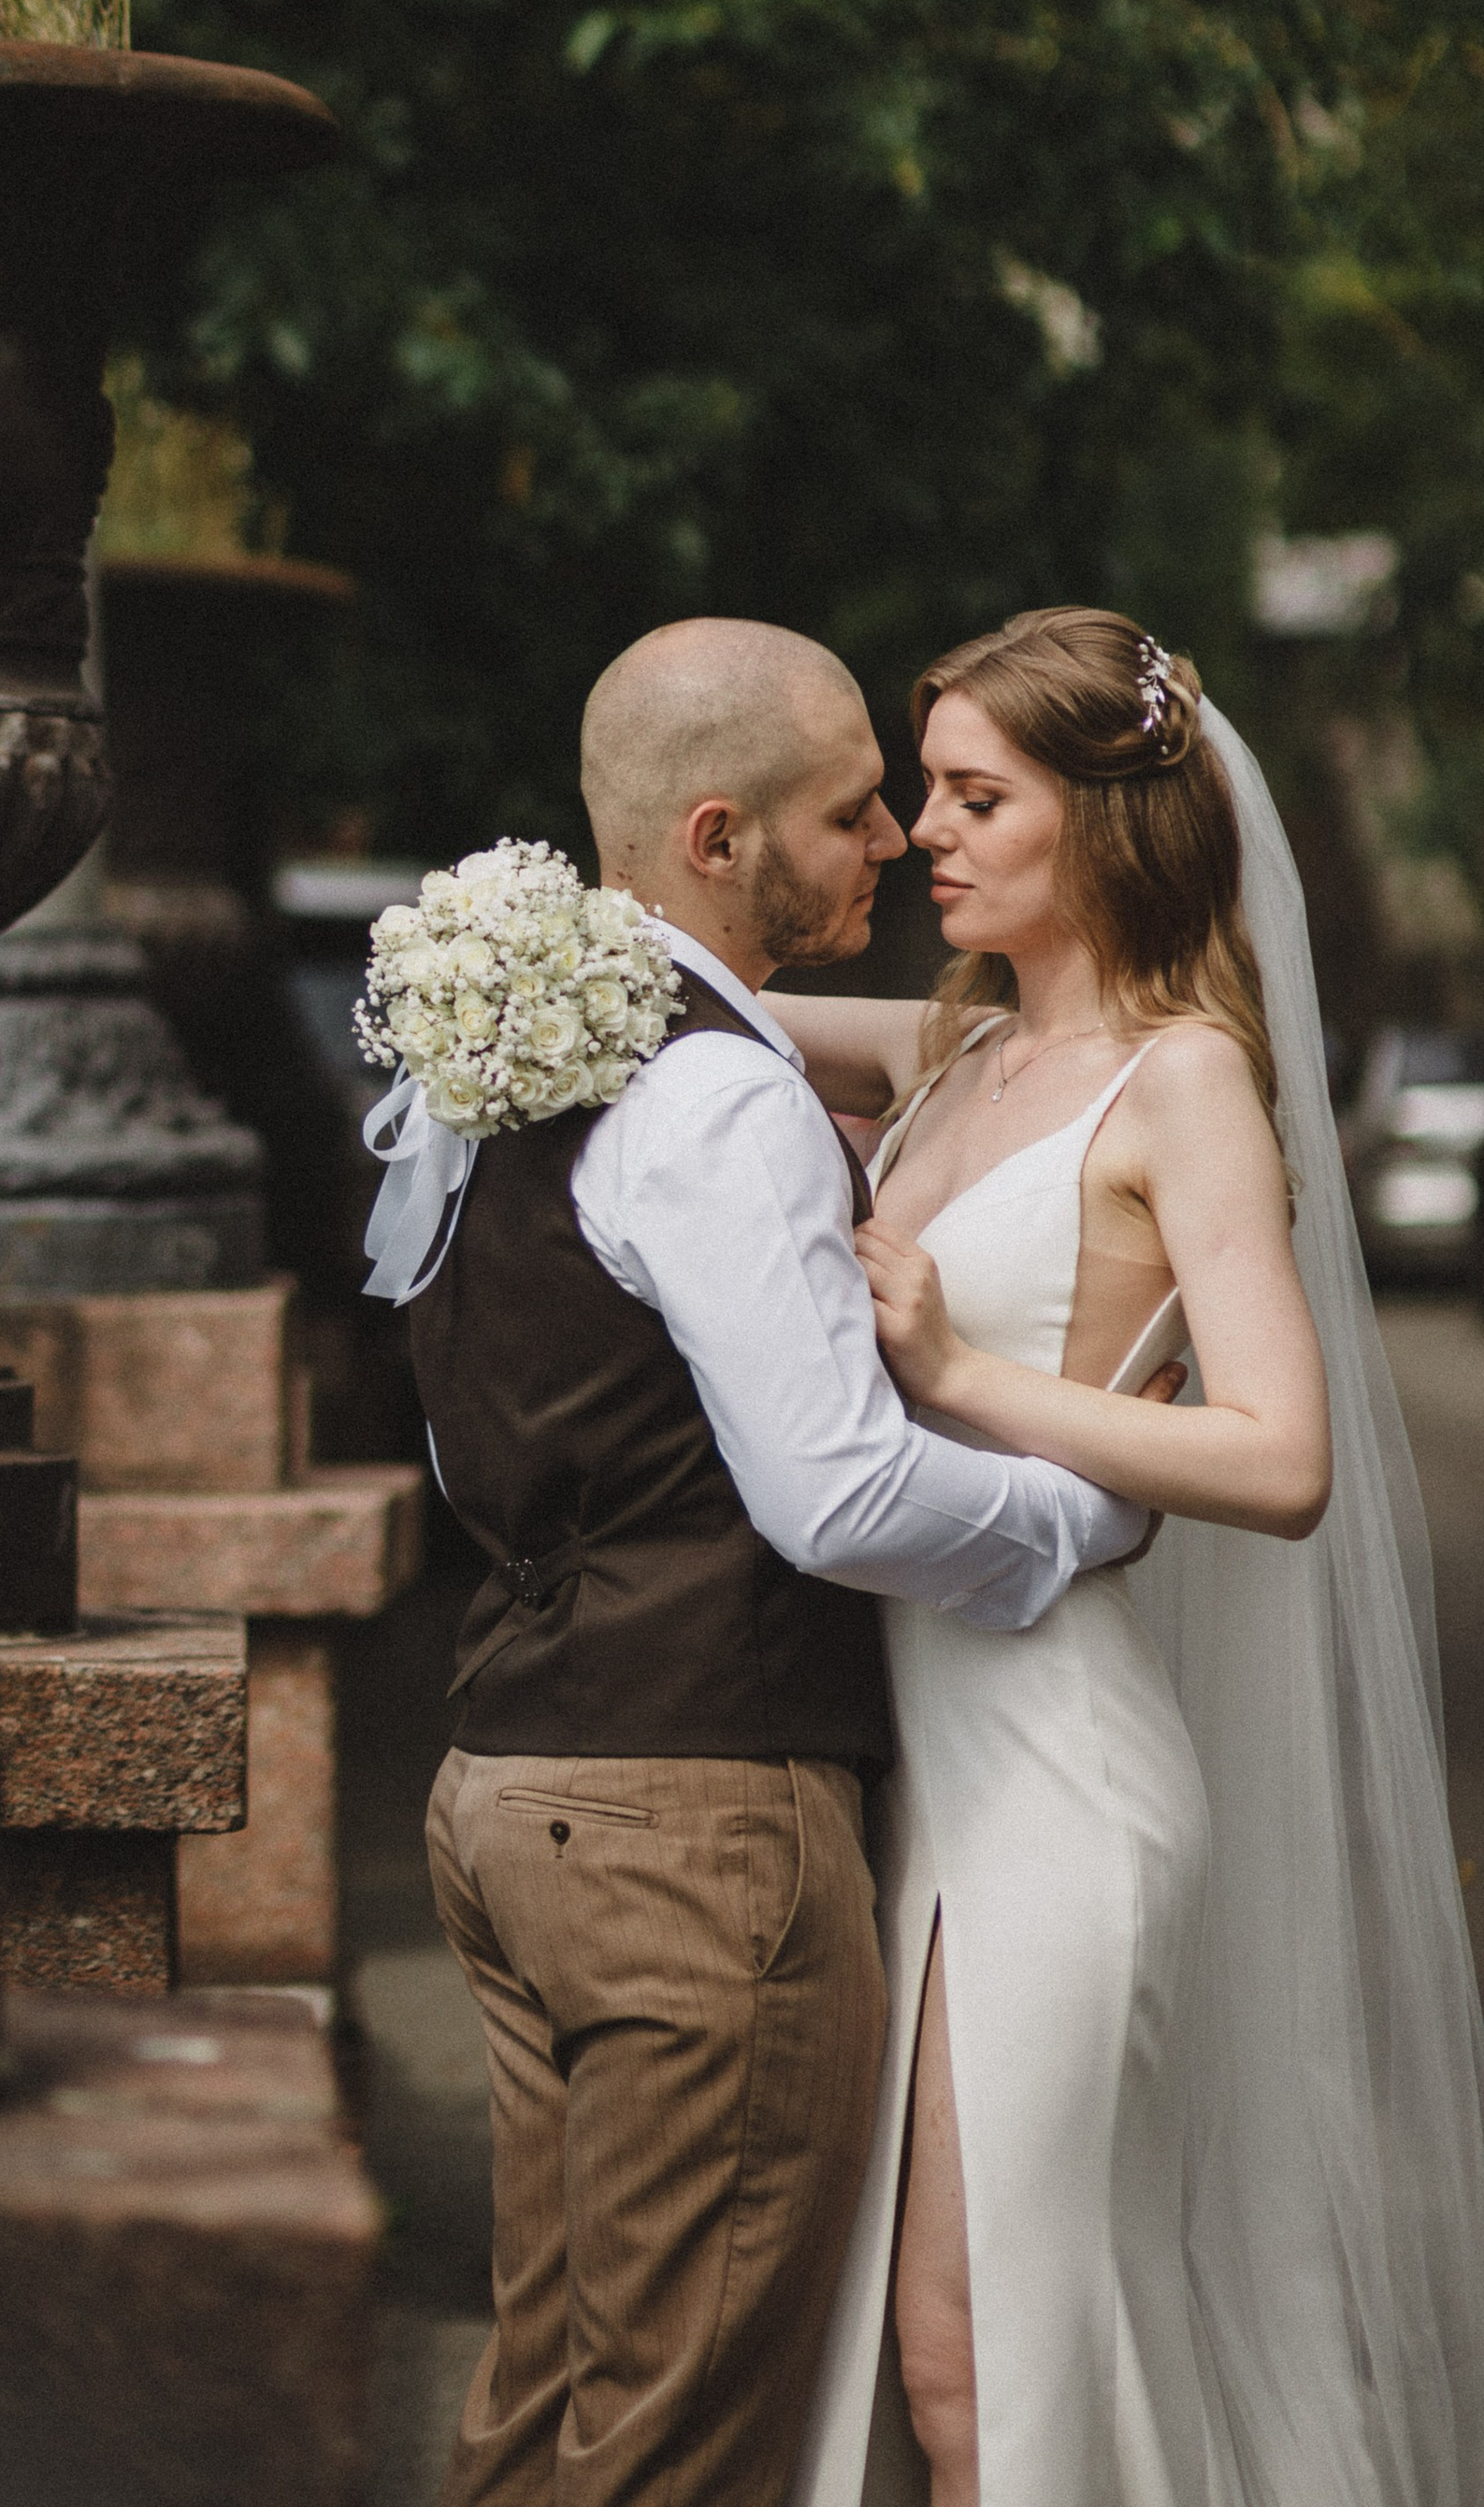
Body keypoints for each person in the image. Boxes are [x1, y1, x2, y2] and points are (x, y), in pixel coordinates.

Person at [372, 618, 1152, 2507]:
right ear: (717, 837)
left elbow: (473, 1419)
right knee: (676, 2444)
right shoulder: (718, 1096)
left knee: (550, 2406)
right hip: (687, 1825)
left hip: (505, 1786)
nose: (890, 842)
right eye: (848, 810)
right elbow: (832, 1499)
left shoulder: (497, 1045)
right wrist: (1075, 1518)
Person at [770, 608, 1484, 2507]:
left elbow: (1276, 1456)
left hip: (1055, 1773)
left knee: (977, 2360)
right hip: (920, 1765)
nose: (919, 828)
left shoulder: (1177, 1084)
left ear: (1105, 819)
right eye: (921, 789)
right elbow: (704, 1013)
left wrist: (951, 1369)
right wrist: (517, 951)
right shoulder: (961, 1046)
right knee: (949, 2362)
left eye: (970, 793)